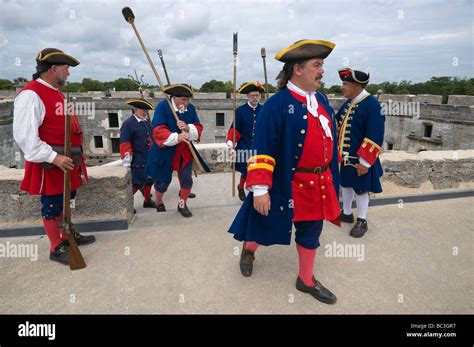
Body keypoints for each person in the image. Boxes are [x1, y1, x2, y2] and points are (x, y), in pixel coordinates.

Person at [228, 40, 341, 304]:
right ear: (297, 69)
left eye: (322, 65)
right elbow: (262, 151)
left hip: (318, 183)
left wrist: (333, 181)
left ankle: (306, 280)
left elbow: (329, 145)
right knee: (266, 225)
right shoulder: (276, 105)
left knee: (311, 232)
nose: (322, 71)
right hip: (286, 183)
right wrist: (259, 190)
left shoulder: (321, 100)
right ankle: (249, 249)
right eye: (317, 65)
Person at [13, 48, 95, 265]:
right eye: (66, 69)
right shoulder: (31, 95)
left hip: (68, 160)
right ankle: (55, 246)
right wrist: (53, 157)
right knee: (52, 204)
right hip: (52, 163)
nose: (68, 73)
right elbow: (25, 137)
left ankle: (67, 235)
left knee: (68, 200)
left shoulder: (56, 91)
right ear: (54, 68)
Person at [145, 84, 208, 218]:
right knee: (163, 182)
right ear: (174, 97)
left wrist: (187, 128)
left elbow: (198, 126)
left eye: (188, 99)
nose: (186, 103)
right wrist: (177, 136)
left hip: (184, 150)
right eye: (183, 99)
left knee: (186, 179)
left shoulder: (190, 108)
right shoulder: (163, 106)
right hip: (165, 150)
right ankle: (159, 201)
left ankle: (182, 204)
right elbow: (158, 130)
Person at [336, 68, 385, 238]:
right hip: (346, 157)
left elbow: (375, 134)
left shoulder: (371, 104)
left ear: (357, 85)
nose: (342, 87)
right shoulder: (349, 102)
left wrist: (365, 162)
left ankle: (362, 220)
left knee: (361, 190)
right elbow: (337, 124)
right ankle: (347, 213)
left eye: (345, 84)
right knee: (347, 185)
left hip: (360, 159)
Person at [226, 82, 265, 201]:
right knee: (246, 170)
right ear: (248, 96)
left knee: (256, 170)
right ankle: (241, 187)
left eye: (257, 95)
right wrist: (231, 145)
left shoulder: (264, 110)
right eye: (253, 95)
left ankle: (252, 191)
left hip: (259, 146)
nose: (255, 98)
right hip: (244, 145)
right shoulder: (240, 111)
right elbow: (235, 129)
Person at [120, 98, 156, 212]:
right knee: (136, 183)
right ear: (135, 109)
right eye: (142, 109)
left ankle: (147, 201)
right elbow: (125, 143)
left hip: (148, 157)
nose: (144, 111)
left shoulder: (147, 122)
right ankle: (127, 205)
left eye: (146, 109)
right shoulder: (128, 124)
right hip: (137, 159)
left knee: (149, 180)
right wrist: (127, 160)